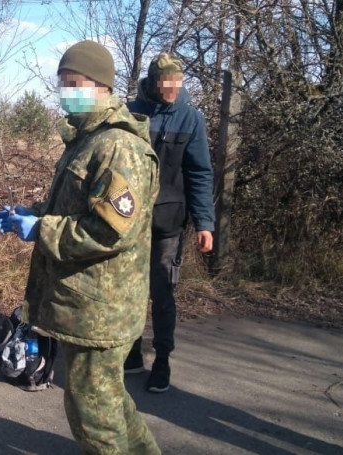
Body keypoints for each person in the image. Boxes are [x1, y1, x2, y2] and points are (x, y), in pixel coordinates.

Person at [0, 40, 160, 454]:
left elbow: (109, 231)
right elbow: (74, 207)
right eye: (63, 83)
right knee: (110, 402)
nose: (67, 91)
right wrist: (29, 214)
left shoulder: (117, 146)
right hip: (86, 305)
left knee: (94, 419)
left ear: (102, 86)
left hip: (101, 310)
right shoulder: (88, 140)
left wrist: (41, 230)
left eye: (75, 83)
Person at [125, 52, 215, 393]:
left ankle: (162, 359)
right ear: (153, 81)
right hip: (130, 218)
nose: (172, 88)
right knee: (129, 288)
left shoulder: (191, 119)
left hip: (168, 220)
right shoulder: (132, 112)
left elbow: (200, 173)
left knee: (162, 290)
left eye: (177, 81)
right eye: (166, 81)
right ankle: (132, 351)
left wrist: (205, 223)